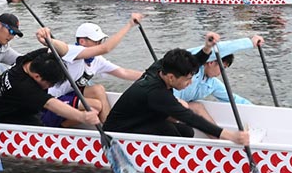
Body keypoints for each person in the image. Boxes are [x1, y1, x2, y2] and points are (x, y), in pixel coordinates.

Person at [104, 32, 250, 144]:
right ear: (171, 78)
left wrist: (207, 48)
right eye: (187, 79)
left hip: (143, 119)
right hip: (118, 133)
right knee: (172, 130)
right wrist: (231, 136)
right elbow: (191, 118)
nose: (190, 83)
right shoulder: (157, 93)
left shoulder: (161, 67)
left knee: (186, 131)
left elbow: (195, 61)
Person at [40, 15, 145, 128]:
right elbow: (106, 48)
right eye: (97, 41)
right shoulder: (73, 52)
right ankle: (57, 128)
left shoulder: (96, 60)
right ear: (82, 41)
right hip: (51, 103)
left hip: (68, 96)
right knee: (95, 106)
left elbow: (124, 72)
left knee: (98, 89)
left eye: (101, 40)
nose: (99, 44)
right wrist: (129, 25)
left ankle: (110, 127)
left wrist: (153, 75)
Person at [0, 33, 101, 127]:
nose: (49, 87)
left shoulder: (30, 59)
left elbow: (60, 50)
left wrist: (49, 39)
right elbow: (51, 104)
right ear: (37, 76)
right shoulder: (24, 87)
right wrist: (81, 116)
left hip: (16, 107)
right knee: (41, 123)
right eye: (49, 84)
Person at [175, 36, 263, 124]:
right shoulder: (190, 66)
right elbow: (218, 49)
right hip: (166, 103)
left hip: (177, 110)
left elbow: (232, 98)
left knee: (195, 108)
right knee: (195, 107)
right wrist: (249, 42)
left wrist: (256, 110)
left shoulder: (212, 84)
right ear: (211, 62)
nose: (221, 72)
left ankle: (219, 136)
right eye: (222, 67)